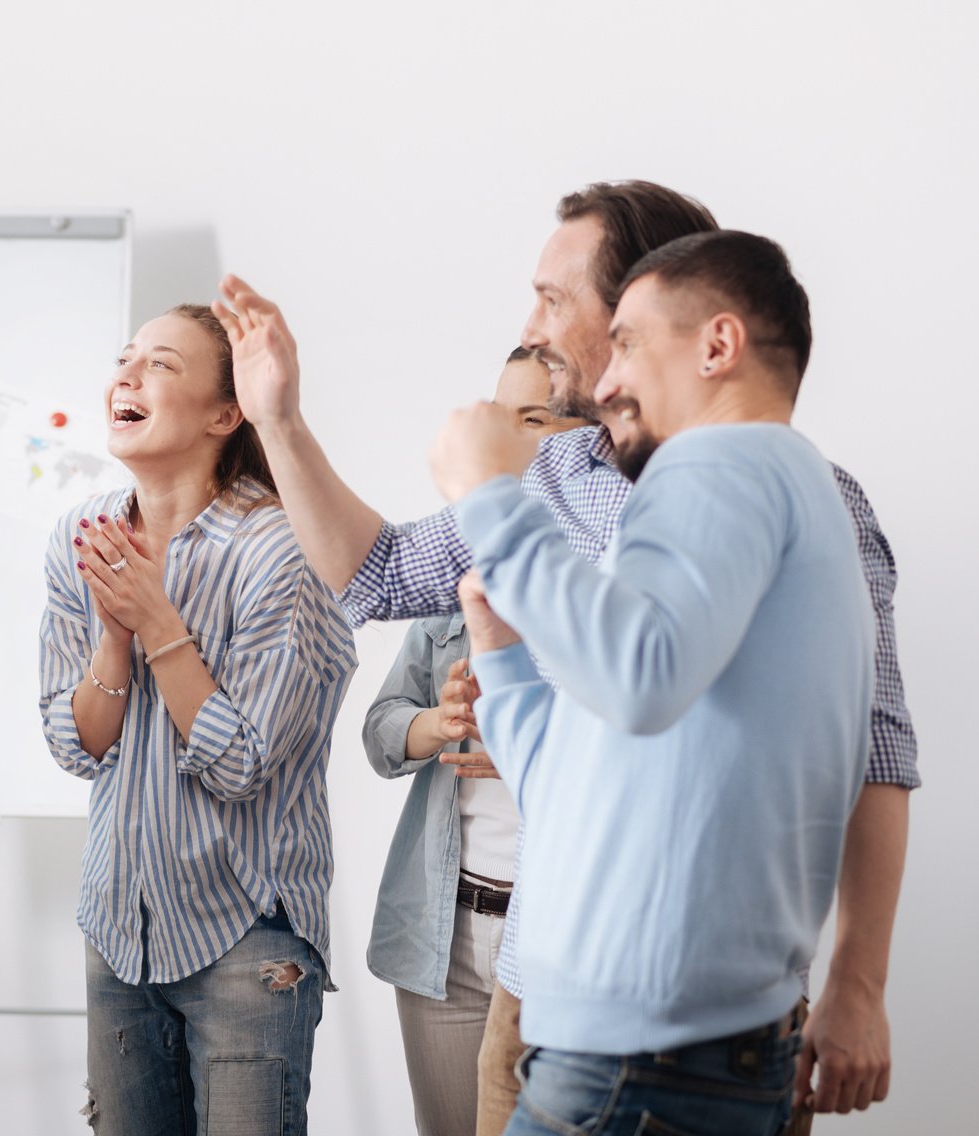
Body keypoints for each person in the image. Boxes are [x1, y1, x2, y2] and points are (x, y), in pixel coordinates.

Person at [214, 179, 915, 1134]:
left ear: (644, 304)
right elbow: (374, 576)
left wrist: (858, 984)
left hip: (683, 1017)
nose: (532, 326)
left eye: (555, 299)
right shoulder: (555, 472)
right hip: (540, 989)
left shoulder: (772, 482)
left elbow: (871, 753)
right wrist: (280, 420)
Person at [427, 229, 870, 1134]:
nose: (606, 378)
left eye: (627, 341)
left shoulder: (724, 461)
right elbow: (568, 784)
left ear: (717, 345)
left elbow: (638, 678)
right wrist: (504, 650)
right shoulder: (776, 494)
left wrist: (491, 496)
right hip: (658, 1055)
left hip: (639, 1067)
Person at [38, 303, 356, 1135]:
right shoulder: (83, 533)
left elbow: (240, 762)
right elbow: (76, 744)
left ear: (226, 414)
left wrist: (158, 626)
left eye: (162, 364)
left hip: (248, 940)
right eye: (125, 359)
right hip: (118, 930)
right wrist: (113, 644)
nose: (128, 376)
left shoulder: (282, 550)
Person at [363, 348, 588, 1136]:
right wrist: (439, 722)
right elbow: (382, 729)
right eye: (499, 416)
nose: (504, 438)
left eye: (534, 418)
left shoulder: (606, 584)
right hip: (446, 932)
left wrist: (533, 745)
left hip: (563, 936)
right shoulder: (462, 571)